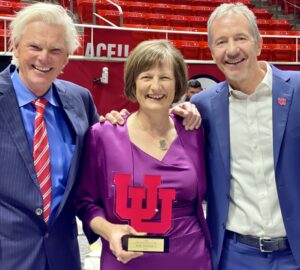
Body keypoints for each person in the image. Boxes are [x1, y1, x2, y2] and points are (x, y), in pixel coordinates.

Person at [74, 39, 212, 270]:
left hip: (191, 259)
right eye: (147, 77)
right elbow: (84, 202)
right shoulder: (103, 135)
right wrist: (110, 230)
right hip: (126, 259)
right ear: (133, 82)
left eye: (165, 78)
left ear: (178, 83)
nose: (155, 87)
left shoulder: (194, 132)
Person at [190, 3, 300, 270]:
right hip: (235, 256)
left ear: (259, 43)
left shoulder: (297, 89)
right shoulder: (202, 106)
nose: (232, 50)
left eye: (240, 38)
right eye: (221, 42)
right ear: (212, 52)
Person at [0, 3, 99, 270]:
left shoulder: (81, 100)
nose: (44, 58)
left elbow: (98, 169)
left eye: (55, 50)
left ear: (67, 57)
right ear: (16, 46)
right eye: (35, 47)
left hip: (63, 258)